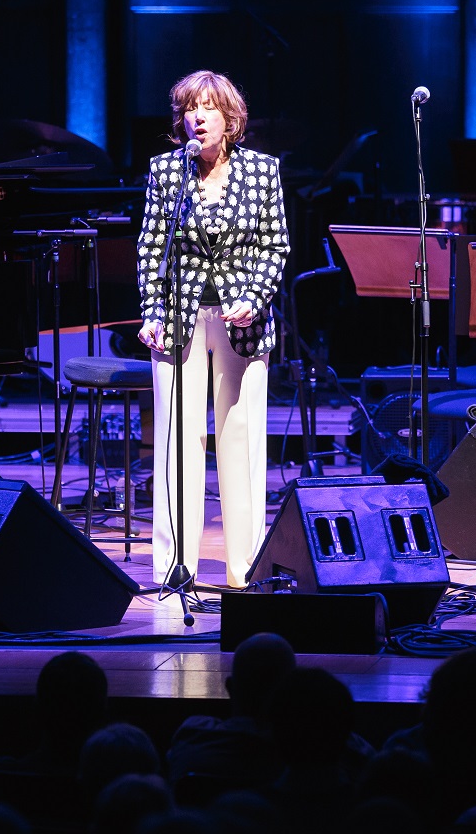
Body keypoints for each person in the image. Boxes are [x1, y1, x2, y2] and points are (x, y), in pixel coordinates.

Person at [136, 70, 289, 589]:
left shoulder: (262, 171)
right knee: (177, 440)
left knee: (239, 441)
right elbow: (151, 248)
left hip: (242, 322)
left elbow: (276, 246)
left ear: (230, 118)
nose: (195, 117)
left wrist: (253, 297)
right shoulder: (165, 171)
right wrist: (152, 311)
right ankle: (173, 567)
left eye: (207, 108)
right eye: (187, 109)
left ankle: (244, 568)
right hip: (179, 319)